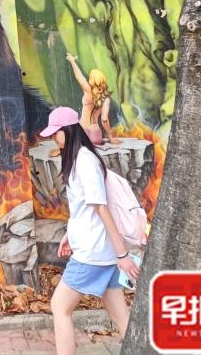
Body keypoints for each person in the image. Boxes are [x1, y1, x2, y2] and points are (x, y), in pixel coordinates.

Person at [40, 106, 139, 355]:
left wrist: (122, 254)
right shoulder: (78, 160)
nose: (54, 139)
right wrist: (69, 235)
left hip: (93, 253)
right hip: (100, 251)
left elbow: (102, 208)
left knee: (59, 307)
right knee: (120, 315)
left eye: (56, 133)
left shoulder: (85, 162)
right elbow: (84, 209)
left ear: (69, 130)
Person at [66, 53, 112, 144]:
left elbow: (79, 77)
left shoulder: (88, 91)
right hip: (96, 134)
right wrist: (110, 136)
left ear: (92, 80)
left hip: (82, 132)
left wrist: (72, 61)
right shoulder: (106, 99)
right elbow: (104, 119)